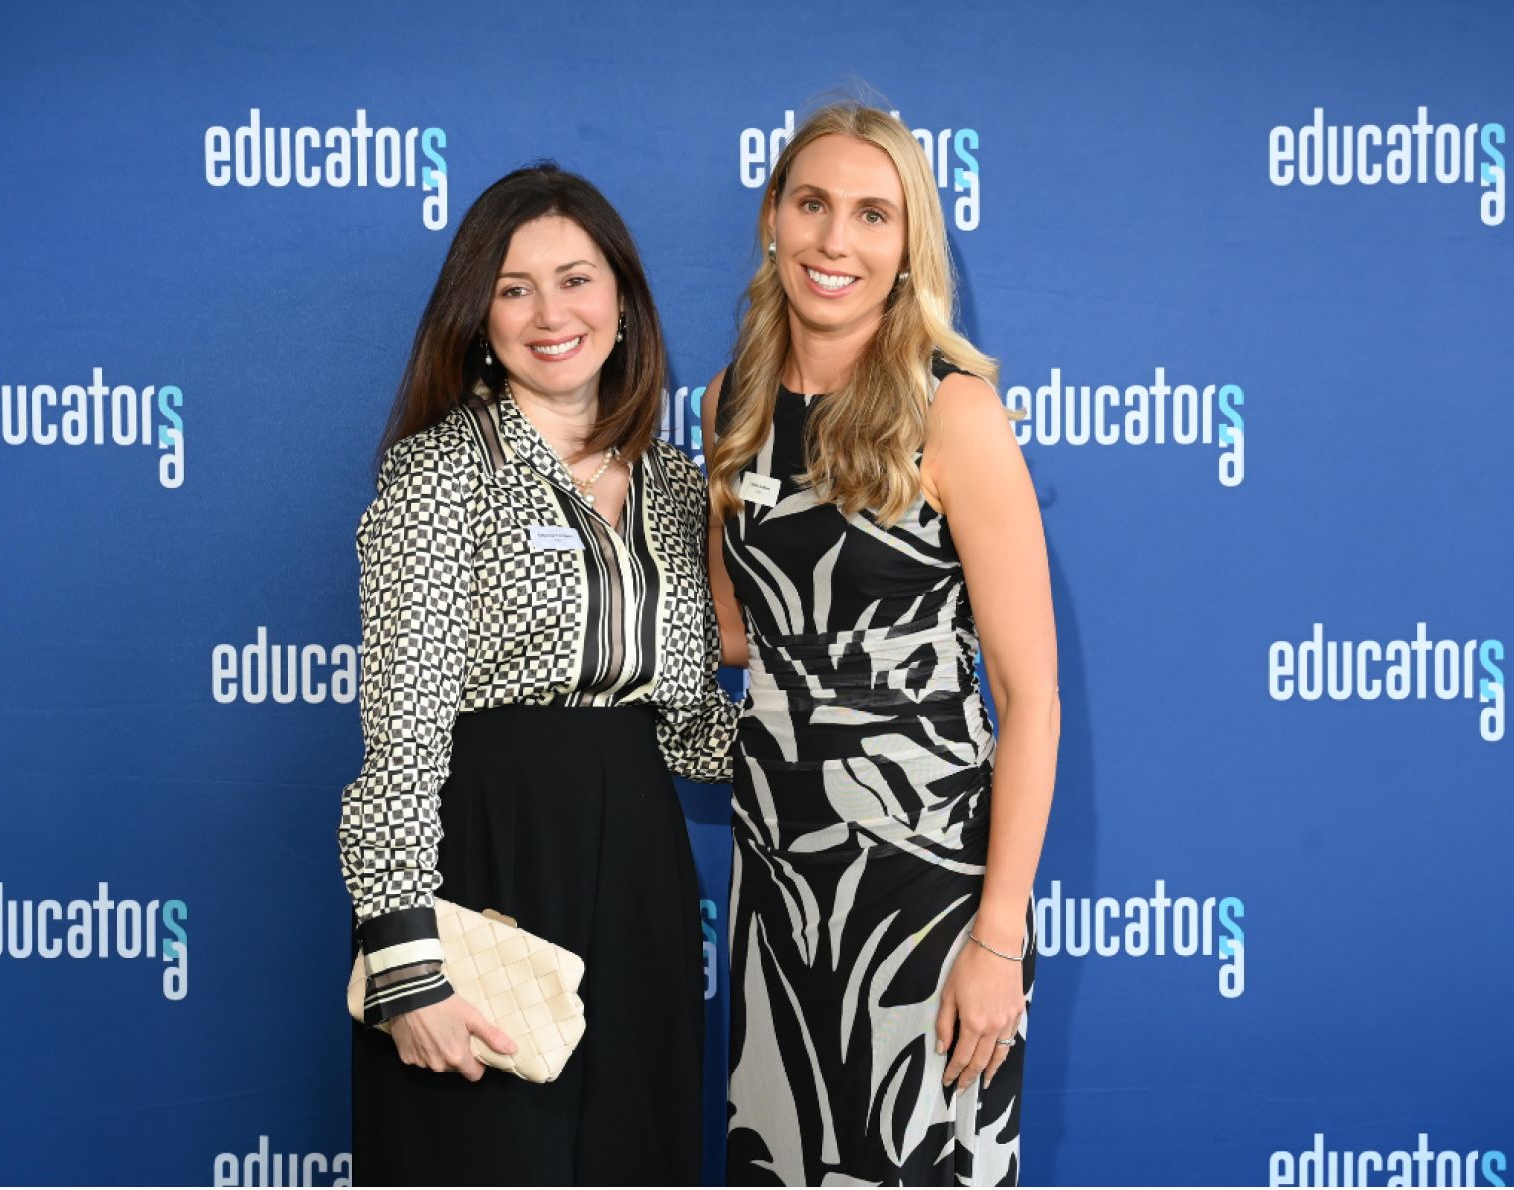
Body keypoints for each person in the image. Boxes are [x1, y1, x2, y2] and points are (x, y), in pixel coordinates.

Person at [338, 163, 737, 1186]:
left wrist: (860, 722)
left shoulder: (674, 482)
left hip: (642, 868)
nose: (550, 312)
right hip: (488, 865)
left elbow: (694, 731)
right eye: (515, 287)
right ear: (479, 314)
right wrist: (405, 963)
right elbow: (404, 740)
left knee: (633, 1154)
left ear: (623, 303)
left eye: (576, 278)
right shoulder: (441, 471)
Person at [703, 105, 1060, 1186]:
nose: (835, 241)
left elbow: (1028, 696)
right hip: (777, 877)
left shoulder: (953, 413)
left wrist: (999, 938)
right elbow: (733, 632)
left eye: (873, 214)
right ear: (773, 216)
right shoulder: (734, 402)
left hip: (926, 892)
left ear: (909, 247)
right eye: (812, 204)